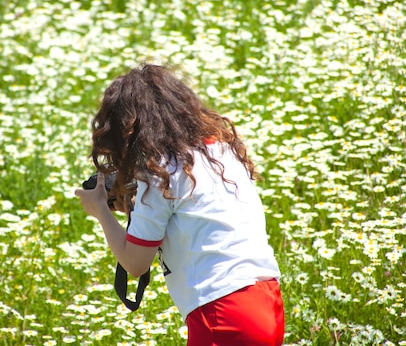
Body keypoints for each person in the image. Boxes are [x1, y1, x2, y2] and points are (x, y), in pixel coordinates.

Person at [74, 63, 284, 346]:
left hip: (222, 311)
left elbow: (134, 263)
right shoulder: (220, 151)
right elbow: (198, 219)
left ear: (130, 133)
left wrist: (100, 208)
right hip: (266, 298)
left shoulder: (161, 172)